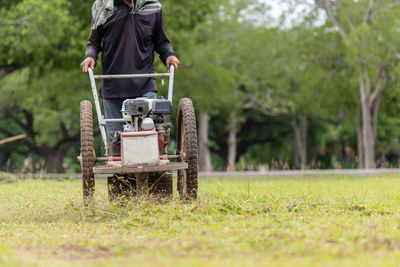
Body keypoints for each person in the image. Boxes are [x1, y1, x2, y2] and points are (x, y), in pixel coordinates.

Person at [80, 0, 180, 155]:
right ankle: (119, 179)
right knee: (117, 146)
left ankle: (153, 175)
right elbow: (93, 42)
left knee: (148, 138)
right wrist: (90, 56)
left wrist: (169, 55)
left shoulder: (153, 7)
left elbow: (161, 41)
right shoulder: (103, 7)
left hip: (145, 87)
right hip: (112, 89)